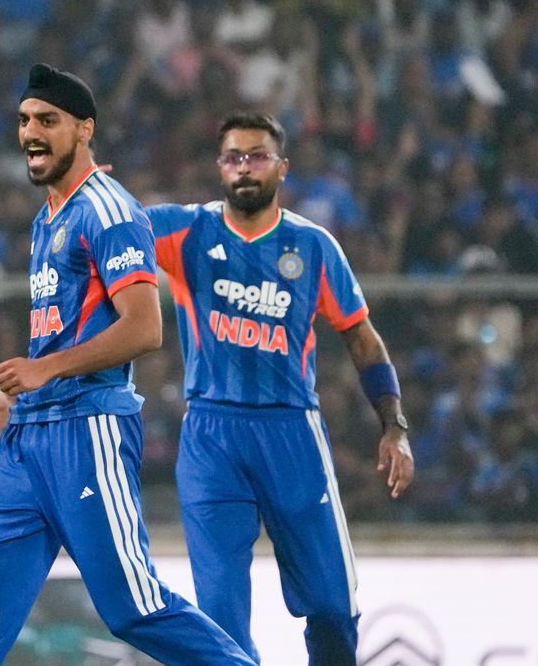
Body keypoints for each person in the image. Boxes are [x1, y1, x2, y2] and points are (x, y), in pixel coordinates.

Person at [0, 63, 253, 666]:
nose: (31, 132)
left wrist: (44, 371)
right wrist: (16, 396)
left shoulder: (109, 211)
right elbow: (63, 335)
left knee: (132, 607)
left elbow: (144, 327)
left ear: (84, 129)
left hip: (87, 432)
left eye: (48, 120)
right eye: (24, 120)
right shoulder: (49, 216)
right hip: (27, 441)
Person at [144, 113, 413, 662]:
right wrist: (84, 180)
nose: (245, 167)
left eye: (258, 156)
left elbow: (362, 338)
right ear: (220, 167)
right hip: (211, 436)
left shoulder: (313, 246)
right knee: (220, 617)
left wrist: (395, 426)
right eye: (234, 157)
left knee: (333, 607)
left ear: (282, 168)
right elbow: (111, 227)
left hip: (291, 431)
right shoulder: (184, 230)